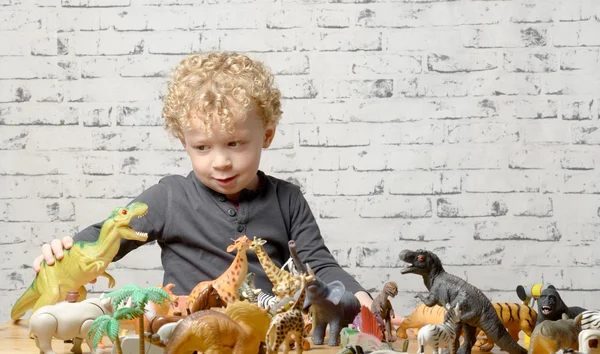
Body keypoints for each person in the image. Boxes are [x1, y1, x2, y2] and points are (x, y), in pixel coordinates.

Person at [32, 52, 374, 308]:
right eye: (202, 147)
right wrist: (67, 258)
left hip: (266, 335)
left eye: (235, 143)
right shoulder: (169, 197)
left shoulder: (287, 200)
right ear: (185, 143)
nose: (221, 162)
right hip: (188, 331)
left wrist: (358, 298)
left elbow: (319, 263)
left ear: (266, 135)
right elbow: (106, 235)